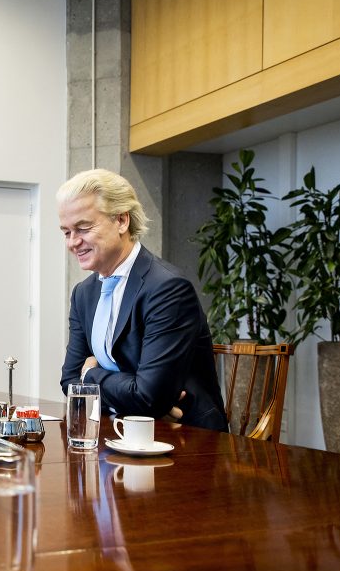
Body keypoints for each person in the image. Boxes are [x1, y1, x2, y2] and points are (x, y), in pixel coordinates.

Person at [58, 169, 227, 431]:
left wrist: (90, 374)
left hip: (187, 441)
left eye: (83, 228)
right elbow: (69, 383)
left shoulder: (168, 288)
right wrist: (135, 402)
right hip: (124, 432)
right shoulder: (84, 293)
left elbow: (148, 397)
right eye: (66, 232)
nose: (73, 242)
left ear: (122, 221)